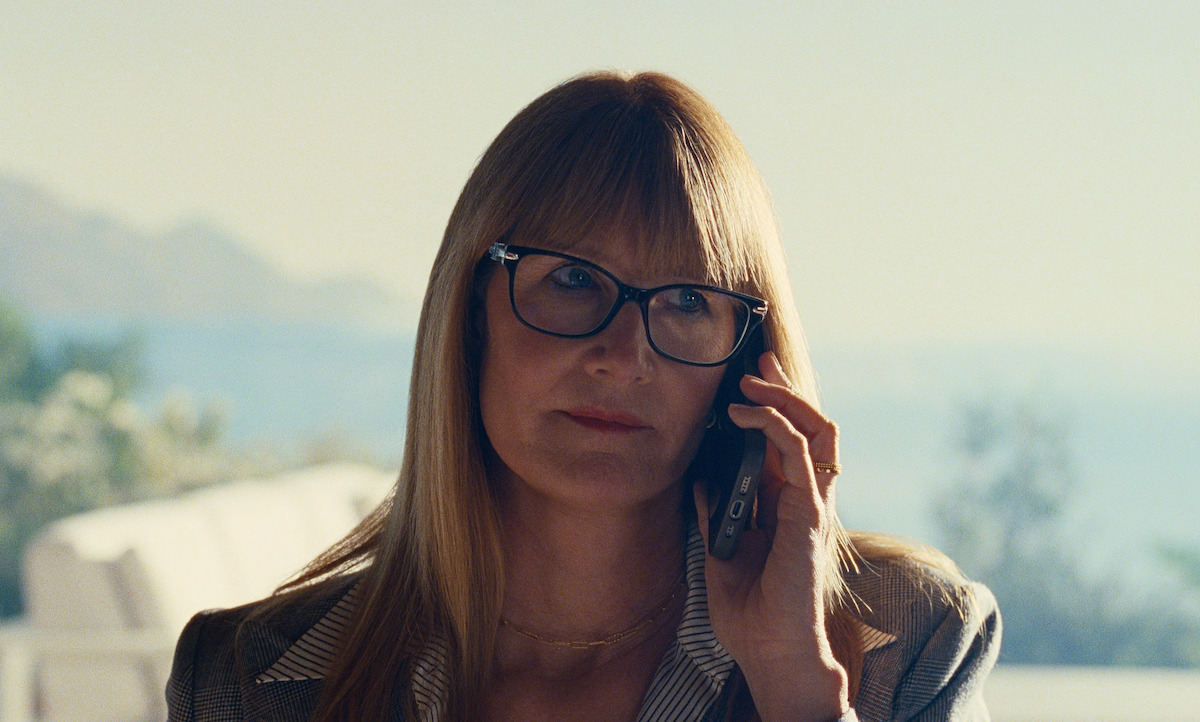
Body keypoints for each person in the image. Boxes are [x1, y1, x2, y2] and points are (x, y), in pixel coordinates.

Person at [167, 71, 999, 721]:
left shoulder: (907, 647)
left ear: (746, 363)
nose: (622, 357)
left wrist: (794, 688)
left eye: (685, 302)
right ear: (471, 315)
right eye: (571, 280)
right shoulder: (242, 681)